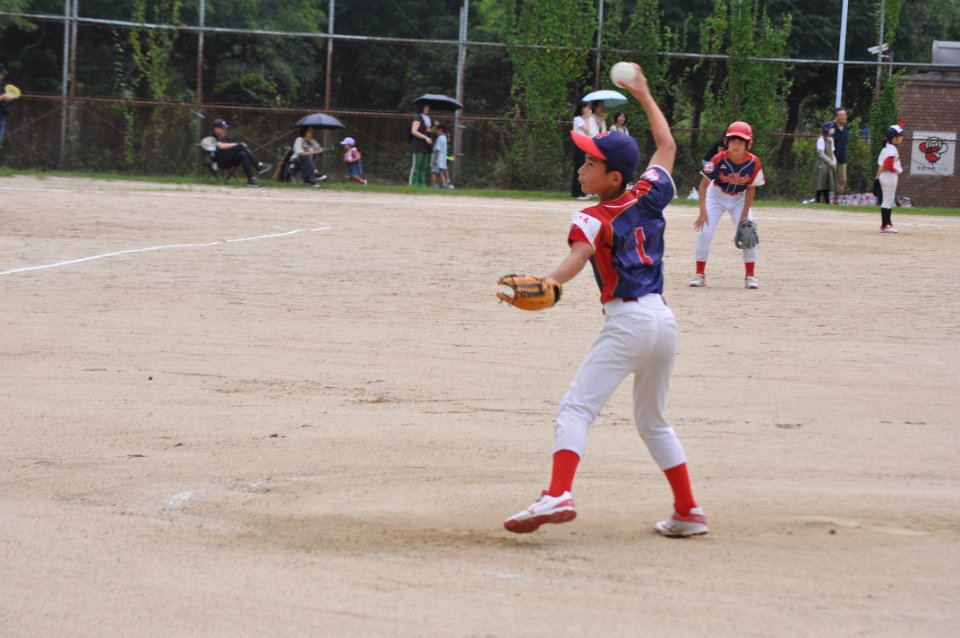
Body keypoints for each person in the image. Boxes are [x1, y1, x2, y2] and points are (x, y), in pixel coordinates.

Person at [502, 63, 708, 539]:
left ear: (613, 177)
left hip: (628, 323)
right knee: (653, 421)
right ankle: (688, 510)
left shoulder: (592, 217)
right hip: (663, 322)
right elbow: (667, 146)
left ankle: (558, 493)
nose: (581, 167)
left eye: (591, 163)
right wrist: (645, 94)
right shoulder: (649, 194)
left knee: (576, 409)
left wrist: (548, 284)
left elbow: (577, 258)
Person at [690, 121, 765, 289]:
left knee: (748, 234)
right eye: (732, 141)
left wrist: (744, 216)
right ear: (726, 142)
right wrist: (703, 211)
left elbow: (751, 189)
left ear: (748, 144)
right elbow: (703, 185)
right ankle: (699, 274)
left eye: (740, 142)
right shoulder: (718, 159)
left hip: (739, 199)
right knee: (704, 232)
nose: (735, 146)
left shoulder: (754, 163)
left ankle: (750, 276)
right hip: (715, 196)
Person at [210, 119, 271, 187]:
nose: (224, 130)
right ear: (216, 129)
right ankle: (258, 166)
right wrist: (238, 145)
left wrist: (245, 150)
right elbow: (220, 146)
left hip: (228, 161)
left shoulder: (225, 137)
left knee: (242, 154)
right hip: (219, 162)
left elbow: (230, 149)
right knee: (240, 146)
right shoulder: (211, 137)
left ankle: (251, 179)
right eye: (223, 128)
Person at [876, 124, 905, 233]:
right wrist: (895, 170)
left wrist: (877, 177)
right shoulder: (892, 149)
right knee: (887, 201)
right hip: (889, 176)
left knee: (887, 200)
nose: (902, 137)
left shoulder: (887, 147)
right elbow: (887, 165)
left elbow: (882, 165)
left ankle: (887, 224)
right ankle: (886, 225)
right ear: (894, 138)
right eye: (900, 135)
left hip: (886, 176)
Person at [570, 101, 597, 199]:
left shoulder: (588, 119)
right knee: (579, 168)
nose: (588, 109)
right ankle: (577, 192)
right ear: (581, 108)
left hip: (586, 145)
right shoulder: (578, 119)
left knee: (587, 168)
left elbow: (593, 132)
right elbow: (587, 130)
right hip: (580, 145)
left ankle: (585, 191)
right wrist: (586, 119)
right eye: (585, 107)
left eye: (588, 107)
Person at [409, 102, 433, 187]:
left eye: (428, 107)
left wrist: (433, 129)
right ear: (421, 107)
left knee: (423, 166)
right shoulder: (418, 117)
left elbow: (428, 131)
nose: (427, 109)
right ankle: (414, 183)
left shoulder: (428, 119)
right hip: (418, 145)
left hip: (426, 146)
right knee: (417, 166)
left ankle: (422, 183)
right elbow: (414, 131)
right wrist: (425, 137)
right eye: (426, 107)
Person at [812, 121, 837, 204]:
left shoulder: (831, 140)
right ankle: (817, 200)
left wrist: (834, 161)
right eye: (831, 128)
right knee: (820, 182)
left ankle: (827, 202)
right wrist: (829, 161)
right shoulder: (821, 139)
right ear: (827, 129)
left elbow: (832, 152)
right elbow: (821, 153)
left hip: (829, 165)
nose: (833, 129)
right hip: (822, 164)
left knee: (827, 183)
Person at [430, 123, 452, 189]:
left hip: (438, 159)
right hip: (442, 160)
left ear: (440, 130)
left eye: (436, 130)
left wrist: (435, 159)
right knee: (440, 173)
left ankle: (434, 186)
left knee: (433, 172)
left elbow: (438, 150)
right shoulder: (444, 138)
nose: (435, 132)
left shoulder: (440, 138)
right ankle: (444, 184)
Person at [833, 107, 849, 193]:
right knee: (829, 179)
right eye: (842, 115)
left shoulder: (846, 128)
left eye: (845, 115)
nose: (844, 117)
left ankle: (836, 198)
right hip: (832, 158)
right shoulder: (831, 128)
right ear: (837, 117)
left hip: (842, 158)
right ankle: (824, 197)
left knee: (842, 180)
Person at [0, 63, 13, 149]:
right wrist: (3, 97)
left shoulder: (1, 84)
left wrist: (7, 98)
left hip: (2, 114)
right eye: (1, 73)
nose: (3, 75)